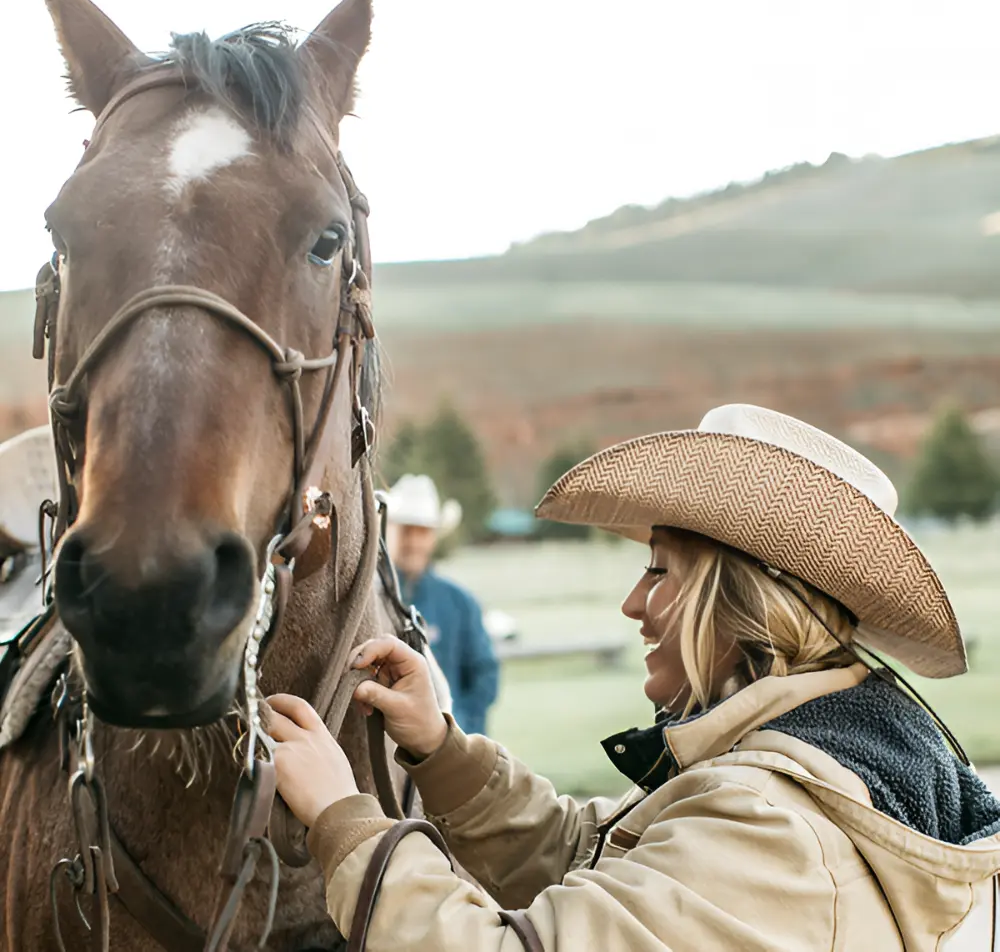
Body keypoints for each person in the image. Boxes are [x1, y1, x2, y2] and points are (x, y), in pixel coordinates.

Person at [267, 404, 1000, 951]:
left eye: (658, 571)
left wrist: (341, 816)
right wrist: (440, 748)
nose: (632, 603)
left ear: (736, 605)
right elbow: (590, 858)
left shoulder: (768, 825)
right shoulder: (806, 766)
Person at [383, 473, 499, 736]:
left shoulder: (461, 604)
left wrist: (458, 731)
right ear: (388, 530)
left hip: (445, 741)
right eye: (406, 529)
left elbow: (484, 677)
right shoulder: (367, 600)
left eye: (422, 531)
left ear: (434, 537)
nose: (413, 541)